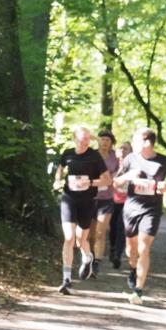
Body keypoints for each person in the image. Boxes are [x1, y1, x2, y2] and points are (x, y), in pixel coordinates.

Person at [113, 127, 166, 305]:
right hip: (131, 209)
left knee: (144, 247)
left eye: (136, 140)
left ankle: (138, 289)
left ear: (147, 143)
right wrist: (128, 175)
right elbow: (116, 182)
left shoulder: (164, 162)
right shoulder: (130, 159)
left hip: (152, 209)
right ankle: (133, 268)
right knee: (131, 250)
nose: (133, 144)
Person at [53, 126, 111, 295]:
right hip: (69, 198)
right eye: (81, 139)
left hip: (87, 201)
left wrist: (90, 183)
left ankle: (88, 257)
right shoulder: (68, 153)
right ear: (74, 139)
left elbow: (107, 180)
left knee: (80, 239)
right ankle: (66, 279)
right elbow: (60, 168)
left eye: (87, 139)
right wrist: (57, 180)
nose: (85, 141)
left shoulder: (94, 156)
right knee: (69, 238)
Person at [90, 130, 119, 277]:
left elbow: (121, 173)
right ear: (98, 141)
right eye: (102, 139)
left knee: (100, 233)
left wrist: (112, 177)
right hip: (90, 198)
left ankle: (96, 263)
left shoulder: (116, 158)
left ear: (111, 142)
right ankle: (88, 258)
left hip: (107, 198)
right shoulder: (91, 155)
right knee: (90, 234)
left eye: (108, 140)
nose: (105, 142)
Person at [108, 142, 132, 269]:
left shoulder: (134, 164)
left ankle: (118, 254)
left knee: (121, 227)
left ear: (130, 151)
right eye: (121, 148)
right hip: (111, 199)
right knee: (112, 228)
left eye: (126, 148)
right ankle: (112, 249)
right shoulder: (113, 163)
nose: (123, 150)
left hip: (127, 201)